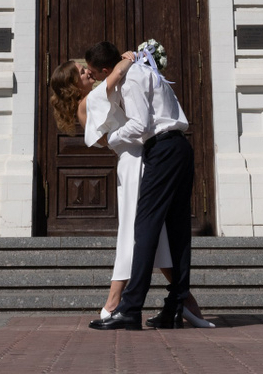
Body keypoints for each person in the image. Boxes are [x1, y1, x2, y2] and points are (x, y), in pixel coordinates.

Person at [46, 52, 210, 326]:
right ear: (73, 85)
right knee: (139, 233)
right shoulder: (89, 101)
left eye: (86, 69)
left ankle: (176, 301)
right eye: (81, 72)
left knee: (151, 234)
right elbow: (118, 75)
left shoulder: (97, 97)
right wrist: (132, 56)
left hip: (142, 157)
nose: (88, 72)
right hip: (135, 163)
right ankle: (132, 301)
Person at [85, 38, 201, 330]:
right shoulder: (146, 70)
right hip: (180, 148)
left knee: (145, 226)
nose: (98, 80)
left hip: (162, 150)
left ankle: (130, 307)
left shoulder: (132, 78)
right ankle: (175, 306)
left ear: (105, 69)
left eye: (96, 74)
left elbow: (141, 124)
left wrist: (112, 139)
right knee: (177, 231)